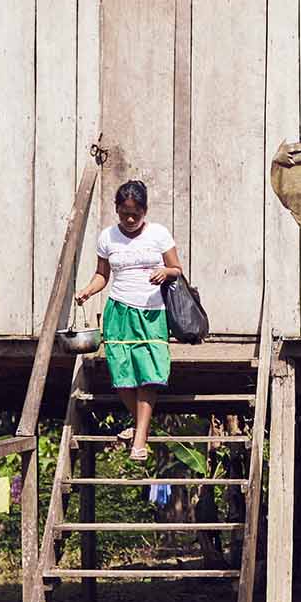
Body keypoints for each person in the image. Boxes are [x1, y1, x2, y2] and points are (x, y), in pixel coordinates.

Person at [74, 181, 184, 461]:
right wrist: (88, 290)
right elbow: (102, 275)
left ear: (145, 210)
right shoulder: (107, 237)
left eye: (136, 213)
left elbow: (177, 269)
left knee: (149, 373)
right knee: (122, 374)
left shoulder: (159, 234)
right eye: (125, 213)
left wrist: (165, 272)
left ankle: (139, 442)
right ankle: (142, 431)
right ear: (117, 210)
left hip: (151, 312)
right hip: (119, 311)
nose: (131, 219)